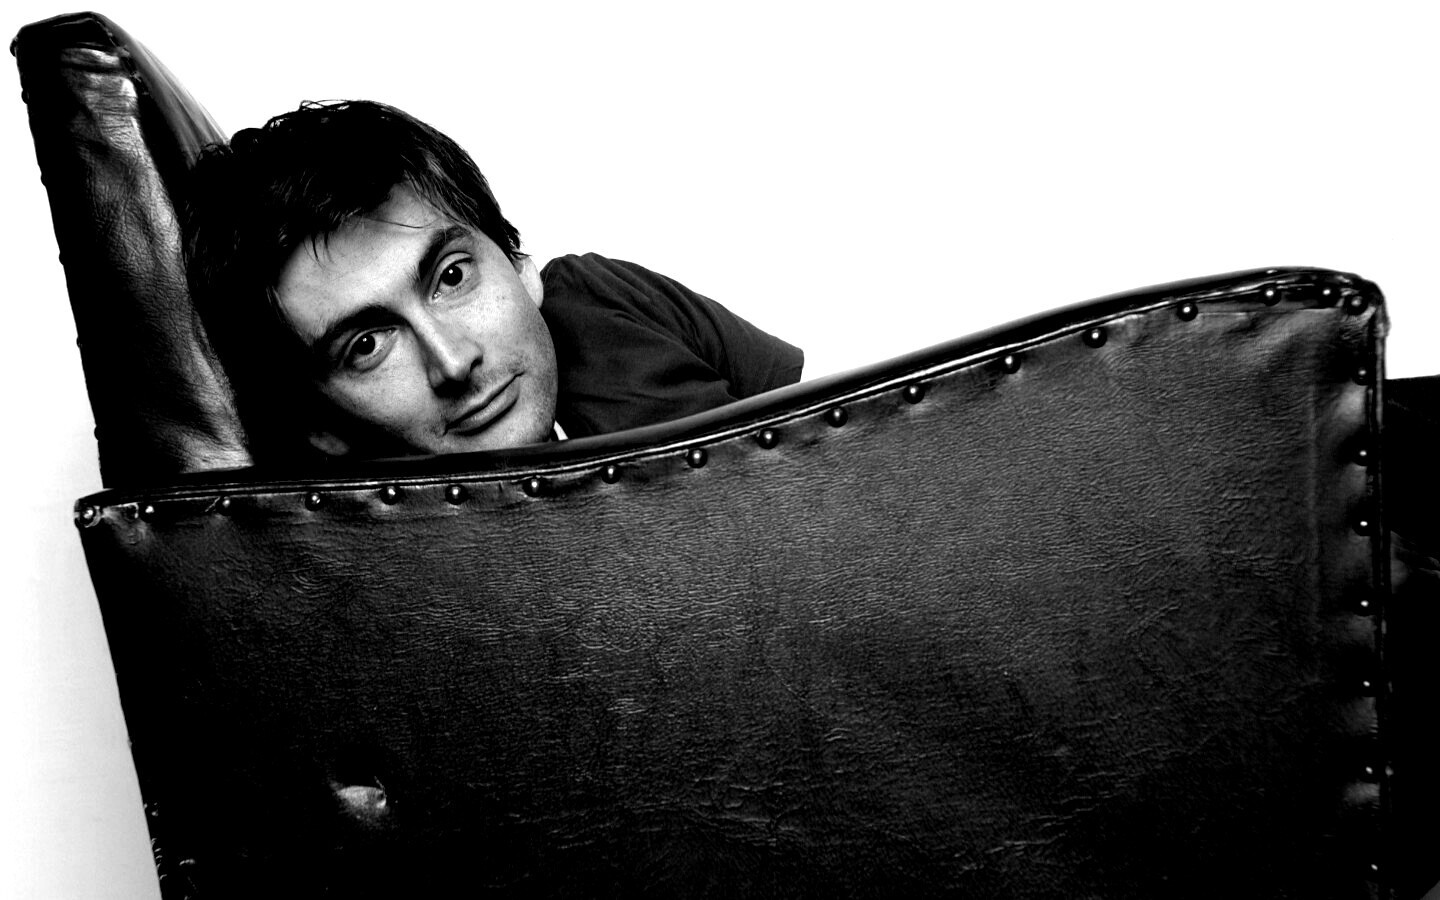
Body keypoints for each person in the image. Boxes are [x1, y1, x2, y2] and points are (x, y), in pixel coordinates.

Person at [184, 100, 803, 462]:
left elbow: (835, 449)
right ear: (320, 427)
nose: (453, 362)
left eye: (452, 276)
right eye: (367, 346)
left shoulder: (603, 297)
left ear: (519, 264)